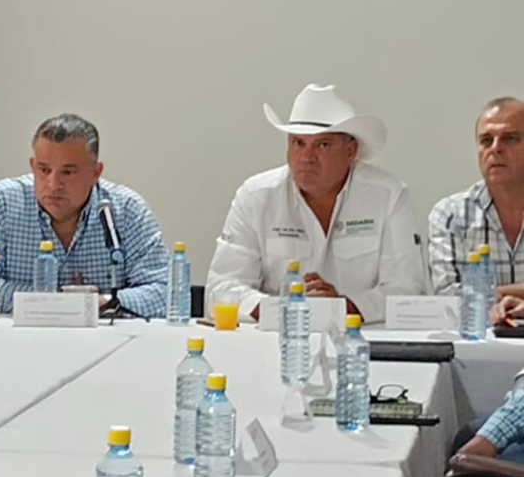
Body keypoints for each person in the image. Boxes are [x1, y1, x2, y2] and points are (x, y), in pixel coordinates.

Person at [206, 84, 426, 323]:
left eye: (323, 145)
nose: (306, 157)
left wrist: (342, 307)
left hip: (360, 338)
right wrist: (287, 309)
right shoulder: (256, 196)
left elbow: (408, 291)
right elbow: (220, 289)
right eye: (298, 143)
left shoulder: (388, 195)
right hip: (277, 336)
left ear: (350, 151)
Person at [0, 113, 169, 317]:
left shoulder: (127, 210)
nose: (53, 184)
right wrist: (62, 303)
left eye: (68, 172)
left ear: (95, 173)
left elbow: (164, 291)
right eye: (44, 170)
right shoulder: (1, 204)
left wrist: (104, 302)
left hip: (106, 338)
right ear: (32, 166)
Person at [429, 98, 524, 297]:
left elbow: (466, 297)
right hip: (477, 320)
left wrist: (483, 294)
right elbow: (448, 296)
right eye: (486, 140)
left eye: (510, 139)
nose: (495, 148)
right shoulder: (450, 215)